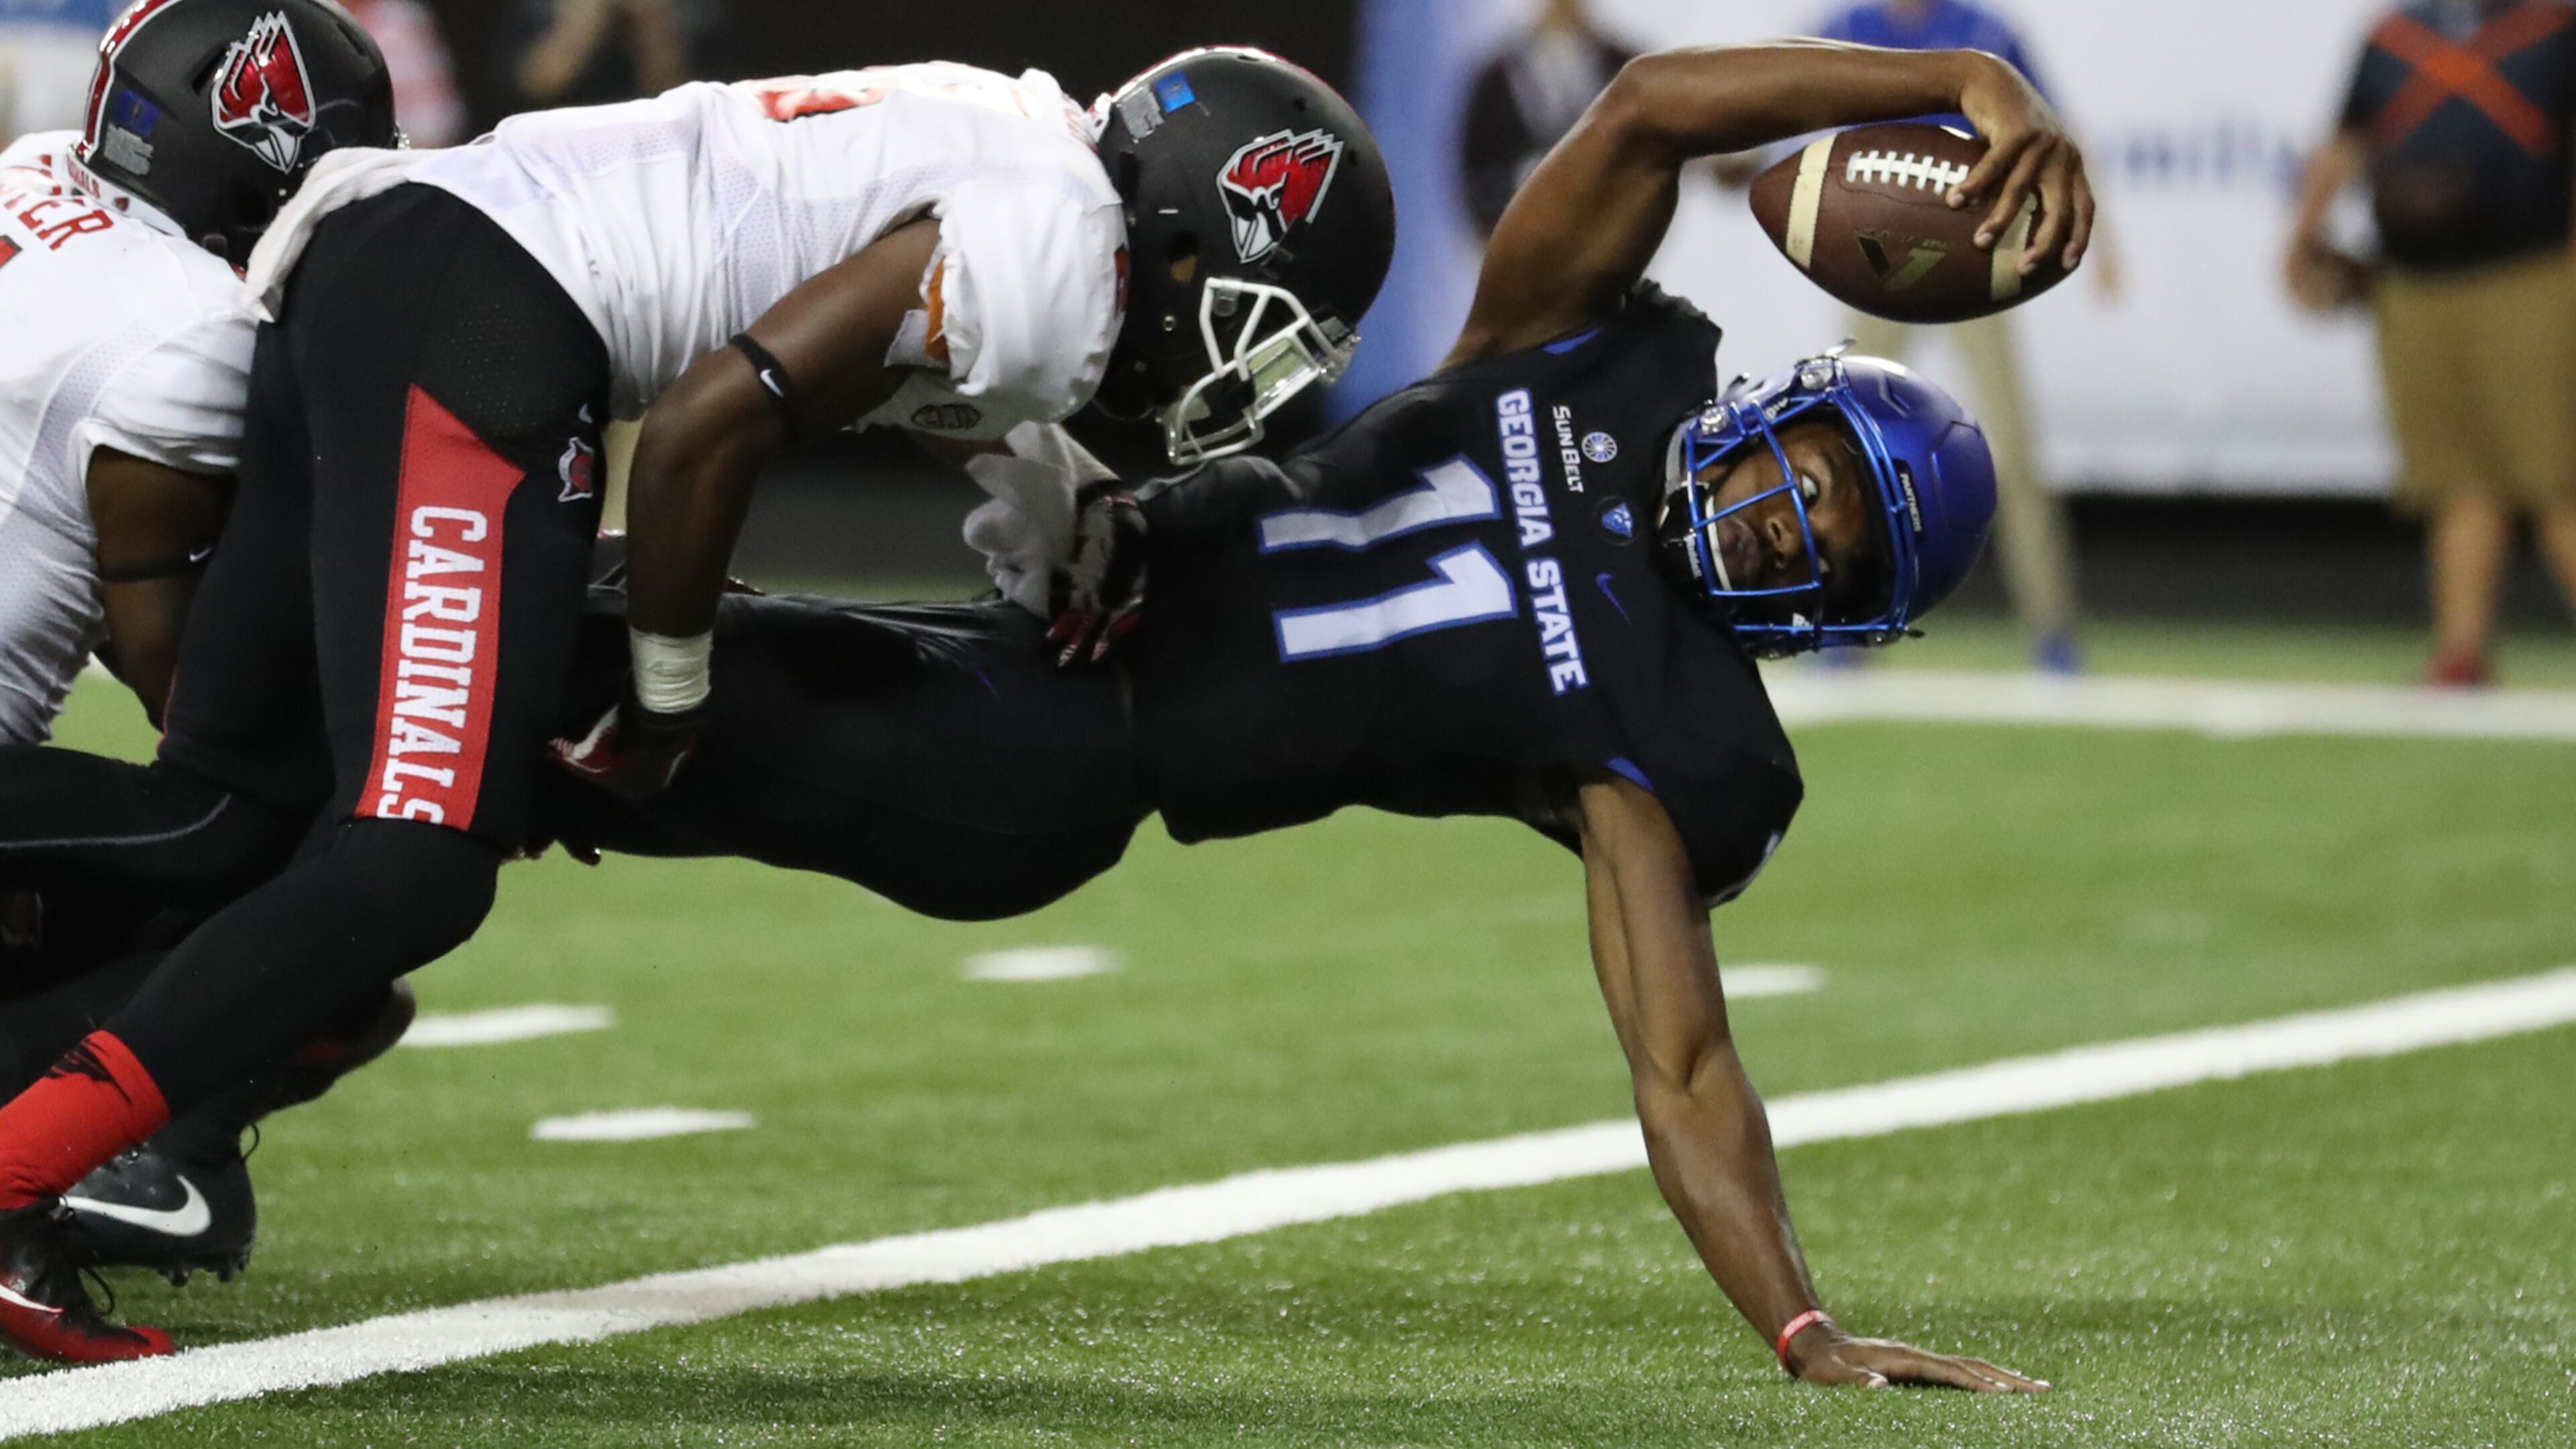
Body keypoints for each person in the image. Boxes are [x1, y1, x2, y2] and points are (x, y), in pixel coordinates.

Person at [0, 40, 2089, 1385]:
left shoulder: (1662, 736)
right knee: (349, 796)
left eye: (1820, 540)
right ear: (1767, 404)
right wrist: (1939, 77)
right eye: (1799, 467)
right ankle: (97, 1129)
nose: (1771, 517)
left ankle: (79, 1135)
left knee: (430, 805)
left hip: (1028, 769)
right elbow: (1638, 116)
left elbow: (1684, 1059)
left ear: (1828, 617)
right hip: (956, 647)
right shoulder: (1573, 363)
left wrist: (1799, 1323)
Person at [0, 46, 1396, 1360]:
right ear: (1190, 236)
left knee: (231, 816)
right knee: (416, 858)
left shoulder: (1025, 148)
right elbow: (700, 430)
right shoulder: (1062, 252)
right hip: (482, 314)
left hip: (384, 266)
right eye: (1258, 325)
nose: (1241, 372)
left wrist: (1084, 507)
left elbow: (909, 357)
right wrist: (671, 694)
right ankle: (17, 1181)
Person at [1794, 0, 2111, 674]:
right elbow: (1786, 116)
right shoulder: (1851, 34)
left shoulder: (1984, 37)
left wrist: (2099, 240)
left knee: (2012, 449)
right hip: (1877, 260)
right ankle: (1849, 623)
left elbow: (2057, 134)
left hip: (1974, 255)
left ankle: (2052, 628)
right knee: (1850, 448)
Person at [2286, 0, 2576, 688]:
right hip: (2413, 283)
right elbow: (2349, 142)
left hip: (2531, 274)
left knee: (2558, 474)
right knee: (2454, 479)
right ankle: (2463, 650)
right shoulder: (2393, 36)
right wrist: (2304, 235)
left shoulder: (2553, 30)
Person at [1458, 0, 1635, 238]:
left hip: (1613, 235)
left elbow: (1673, 123)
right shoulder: (1497, 81)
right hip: (1531, 244)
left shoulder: (1622, 65)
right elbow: (1480, 178)